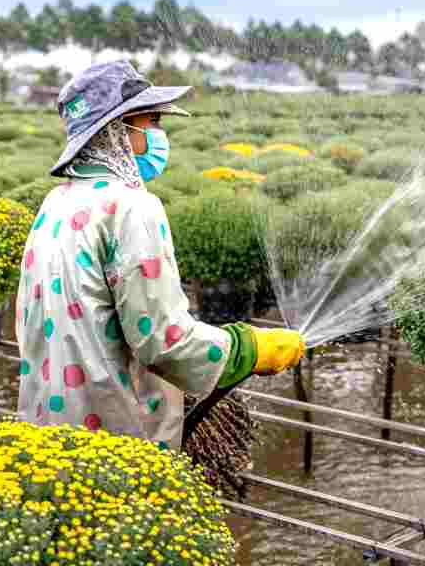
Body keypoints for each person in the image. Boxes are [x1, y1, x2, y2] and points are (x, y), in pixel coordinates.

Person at [15, 60, 304, 448]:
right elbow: (163, 342)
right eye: (152, 122)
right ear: (117, 129)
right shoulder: (132, 207)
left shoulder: (56, 203)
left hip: (46, 430)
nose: (158, 134)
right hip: (114, 435)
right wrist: (248, 348)